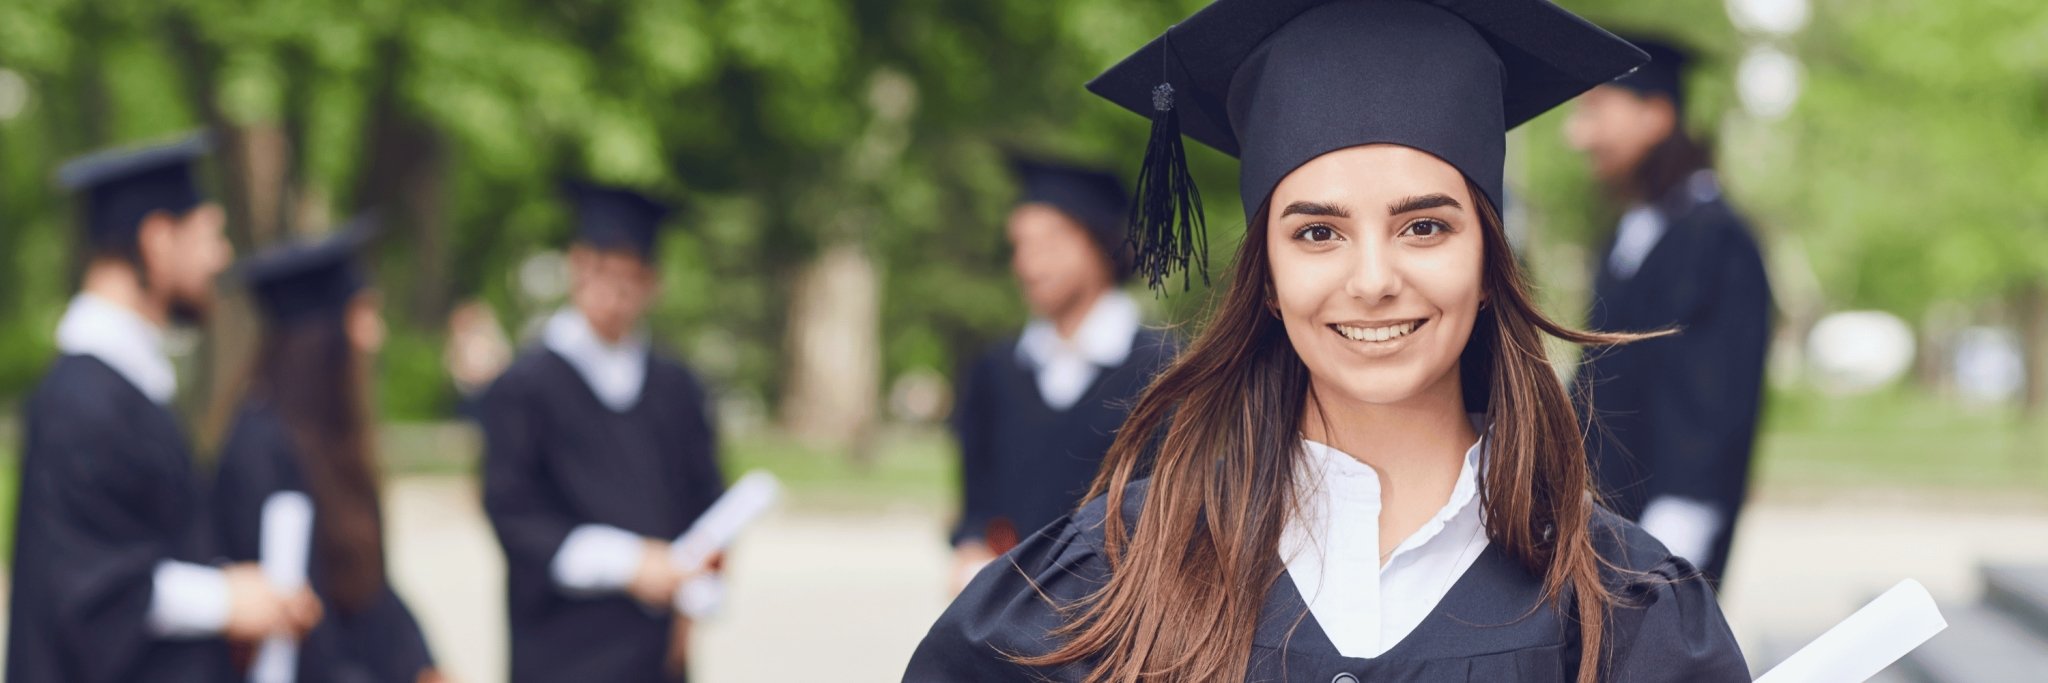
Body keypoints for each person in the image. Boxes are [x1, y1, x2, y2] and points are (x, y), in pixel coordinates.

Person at [906, 1, 1750, 681]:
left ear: (1489, 260)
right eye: (1317, 233)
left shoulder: (1624, 612)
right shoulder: (1110, 575)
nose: (1373, 277)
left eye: (1425, 226)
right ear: (1267, 278)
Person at [7, 134, 318, 682]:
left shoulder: (124, 385)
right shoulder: (81, 400)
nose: (220, 257)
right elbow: (89, 587)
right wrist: (225, 598)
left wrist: (239, 590)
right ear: (157, 239)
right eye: (208, 235)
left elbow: (144, 544)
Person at [481, 182, 726, 683]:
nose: (614, 295)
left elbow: (705, 494)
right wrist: (630, 564)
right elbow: (513, 511)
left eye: (630, 279)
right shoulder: (527, 386)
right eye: (601, 274)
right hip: (563, 642)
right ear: (576, 266)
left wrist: (694, 599)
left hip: (655, 645)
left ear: (652, 283)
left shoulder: (675, 386)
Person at [1565, 36, 1774, 585]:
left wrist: (1681, 522)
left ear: (1655, 115)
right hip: (1606, 520)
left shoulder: (1715, 237)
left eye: (1595, 111)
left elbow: (1717, 392)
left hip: (1662, 531)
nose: (1578, 134)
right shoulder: (1634, 228)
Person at [212, 222, 447, 683]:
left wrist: (424, 665)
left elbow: (368, 588)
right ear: (322, 340)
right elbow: (299, 617)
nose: (374, 335)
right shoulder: (259, 449)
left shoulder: (335, 444)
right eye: (362, 316)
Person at [947, 155, 1176, 589]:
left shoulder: (1166, 371)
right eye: (1020, 245)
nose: (1028, 265)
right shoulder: (996, 369)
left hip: (1122, 616)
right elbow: (977, 504)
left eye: (1050, 242)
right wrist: (972, 548)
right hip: (1008, 611)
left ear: (1099, 243)